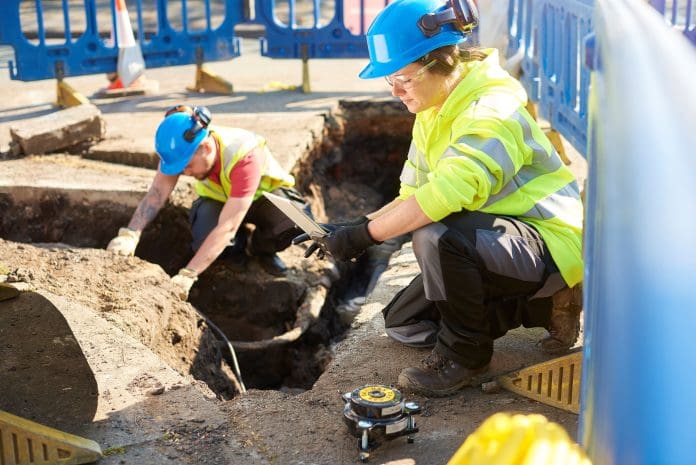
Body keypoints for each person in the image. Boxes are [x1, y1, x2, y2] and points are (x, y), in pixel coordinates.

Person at [295, 0, 583, 396]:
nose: (395, 92)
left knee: (436, 235)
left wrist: (366, 238)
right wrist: (354, 227)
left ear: (441, 62)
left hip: (549, 241)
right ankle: (543, 306)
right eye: (388, 80)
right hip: (496, 239)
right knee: (405, 326)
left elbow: (444, 197)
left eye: (403, 78)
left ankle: (466, 356)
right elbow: (411, 195)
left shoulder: (490, 112)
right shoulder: (433, 110)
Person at [107, 105, 308, 299]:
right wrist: (130, 233)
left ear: (204, 146)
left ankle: (259, 249)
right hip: (220, 201)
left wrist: (188, 274)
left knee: (294, 221)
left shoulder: (243, 154)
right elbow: (157, 193)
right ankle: (236, 255)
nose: (184, 173)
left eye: (187, 166)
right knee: (205, 238)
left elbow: (228, 226)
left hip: (263, 199)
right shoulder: (180, 150)